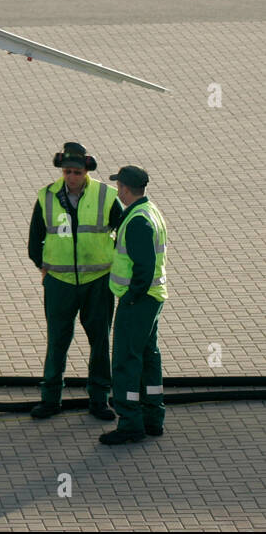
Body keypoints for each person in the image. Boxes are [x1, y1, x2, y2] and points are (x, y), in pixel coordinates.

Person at [27, 142, 124, 421]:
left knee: (100, 342)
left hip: (98, 282)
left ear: (87, 172)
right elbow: (35, 238)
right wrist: (42, 265)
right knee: (57, 341)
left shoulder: (105, 195)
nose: (72, 177)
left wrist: (116, 266)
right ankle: (50, 400)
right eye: (67, 172)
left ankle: (99, 400)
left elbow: (123, 230)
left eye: (77, 172)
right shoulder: (47, 196)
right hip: (59, 282)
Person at [100, 165, 168, 445]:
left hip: (138, 301)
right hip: (153, 298)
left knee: (127, 361)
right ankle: (153, 417)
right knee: (149, 356)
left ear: (125, 189)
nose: (117, 190)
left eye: (119, 187)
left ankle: (130, 422)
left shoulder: (138, 220)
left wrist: (130, 297)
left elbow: (144, 266)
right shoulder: (150, 211)